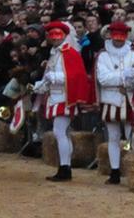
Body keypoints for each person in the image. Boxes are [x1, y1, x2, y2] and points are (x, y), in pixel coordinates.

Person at [35, 21, 93, 182]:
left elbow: (74, 76)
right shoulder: (55, 53)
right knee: (63, 133)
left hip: (65, 97)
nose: (54, 38)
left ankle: (65, 168)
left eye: (57, 34)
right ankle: (64, 166)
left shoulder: (70, 53)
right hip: (55, 96)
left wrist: (52, 78)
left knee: (59, 132)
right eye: (51, 35)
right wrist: (41, 85)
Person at [95, 21, 134, 185]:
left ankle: (132, 169)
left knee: (131, 137)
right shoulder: (103, 56)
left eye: (122, 36)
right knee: (113, 137)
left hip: (129, 100)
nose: (119, 40)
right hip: (110, 100)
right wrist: (123, 77)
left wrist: (125, 80)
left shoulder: (133, 54)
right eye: (116, 36)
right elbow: (103, 79)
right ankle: (114, 171)